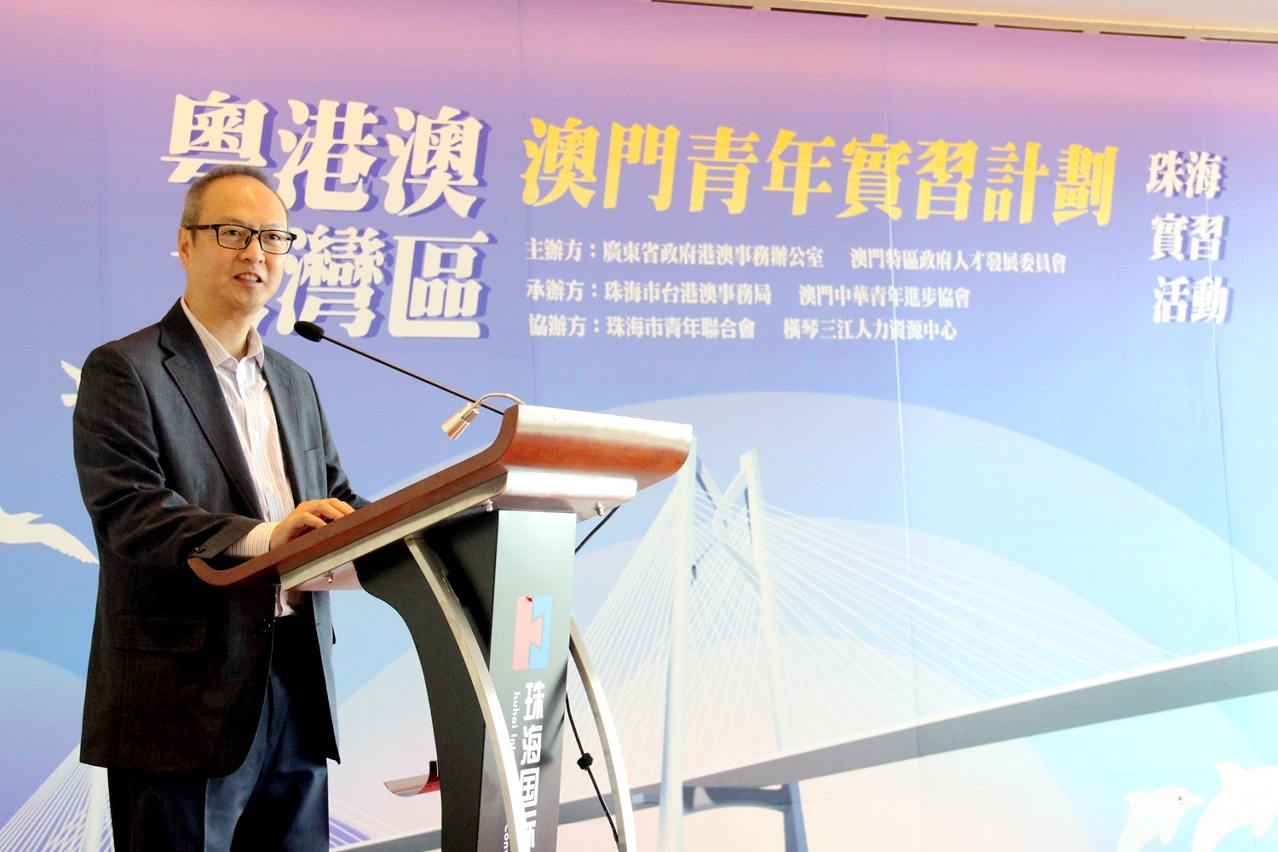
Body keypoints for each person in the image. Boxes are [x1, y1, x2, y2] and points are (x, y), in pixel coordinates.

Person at [73, 164, 364, 850]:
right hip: (182, 697)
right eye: (233, 233)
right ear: (186, 243)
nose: (254, 253)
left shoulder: (294, 380)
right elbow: (129, 510)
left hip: (297, 679)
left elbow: (337, 499)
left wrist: (431, 526)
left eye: (272, 237)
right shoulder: (127, 368)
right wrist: (268, 537)